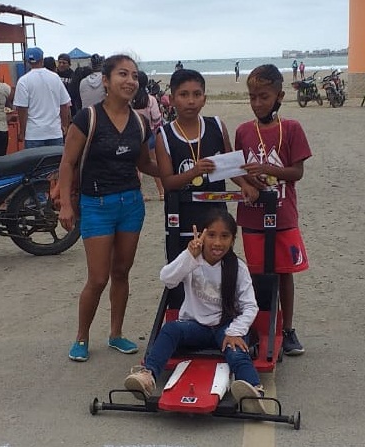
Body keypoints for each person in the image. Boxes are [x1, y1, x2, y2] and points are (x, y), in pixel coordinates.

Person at [57, 54, 159, 362]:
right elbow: (67, 163)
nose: (130, 81)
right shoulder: (87, 118)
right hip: (97, 205)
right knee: (98, 278)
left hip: (131, 204)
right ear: (106, 80)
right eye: (122, 74)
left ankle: (116, 334)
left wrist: (181, 173)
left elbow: (145, 164)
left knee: (121, 272)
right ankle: (81, 337)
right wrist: (66, 204)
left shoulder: (140, 122)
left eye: (134, 76)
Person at [123, 209, 267, 414]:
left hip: (226, 328)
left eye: (225, 236)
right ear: (201, 235)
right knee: (170, 330)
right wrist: (189, 256)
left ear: (233, 240)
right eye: (211, 235)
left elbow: (250, 306)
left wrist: (236, 331)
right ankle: (148, 376)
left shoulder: (238, 267)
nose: (217, 242)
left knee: (237, 352)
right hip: (195, 327)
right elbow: (167, 279)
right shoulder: (191, 260)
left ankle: (253, 390)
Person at [234, 64, 311, 356]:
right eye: (252, 97)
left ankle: (287, 329)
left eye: (263, 97)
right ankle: (259, 328)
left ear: (279, 96)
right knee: (256, 274)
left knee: (283, 273)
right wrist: (247, 182)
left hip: (283, 215)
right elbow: (236, 170)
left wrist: (268, 169)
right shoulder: (244, 131)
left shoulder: (291, 129)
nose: (257, 103)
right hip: (252, 216)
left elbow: (297, 172)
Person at [154, 68, 233, 307]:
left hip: (216, 221)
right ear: (171, 99)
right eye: (184, 94)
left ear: (204, 98)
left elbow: (231, 166)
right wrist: (193, 172)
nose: (191, 101)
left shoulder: (216, 126)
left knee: (217, 276)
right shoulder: (164, 135)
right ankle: (180, 319)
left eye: (197, 94)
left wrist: (248, 186)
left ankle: (219, 318)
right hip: (181, 222)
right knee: (182, 277)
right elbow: (168, 182)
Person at [13, 47, 71, 148]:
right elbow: (64, 105)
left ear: (27, 62)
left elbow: (22, 109)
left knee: (33, 159)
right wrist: (64, 125)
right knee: (55, 158)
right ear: (42, 60)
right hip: (54, 132)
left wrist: (22, 131)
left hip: (33, 134)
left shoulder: (23, 81)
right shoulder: (55, 78)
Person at [132, 70, 164, 200]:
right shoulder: (150, 99)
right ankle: (161, 192)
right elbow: (156, 119)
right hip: (149, 135)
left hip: (133, 135)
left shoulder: (129, 99)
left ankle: (140, 193)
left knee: (135, 167)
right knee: (153, 163)